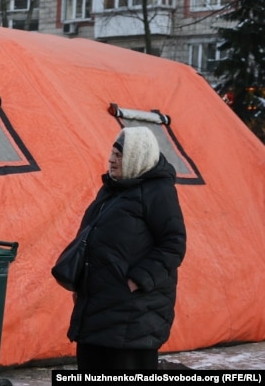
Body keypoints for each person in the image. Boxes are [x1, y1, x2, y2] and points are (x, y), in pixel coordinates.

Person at [64, 126, 186, 371]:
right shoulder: (111, 190)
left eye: (119, 155)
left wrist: (137, 280)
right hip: (98, 302)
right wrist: (81, 281)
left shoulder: (158, 191)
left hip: (134, 308)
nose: (111, 159)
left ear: (137, 156)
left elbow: (174, 243)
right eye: (112, 153)